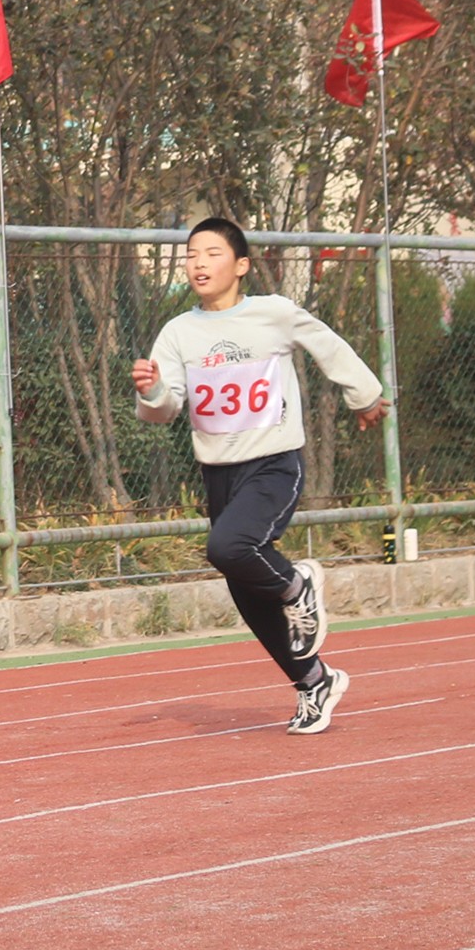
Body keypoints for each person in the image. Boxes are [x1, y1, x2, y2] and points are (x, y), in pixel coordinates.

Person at [131, 216, 387, 735]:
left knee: (227, 548)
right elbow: (166, 409)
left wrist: (363, 395)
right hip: (218, 475)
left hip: (273, 464)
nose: (199, 263)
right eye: (191, 255)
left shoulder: (273, 314)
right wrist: (152, 391)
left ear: (242, 265)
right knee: (246, 588)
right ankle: (315, 680)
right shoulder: (179, 332)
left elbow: (330, 347)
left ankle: (299, 585)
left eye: (212, 253)